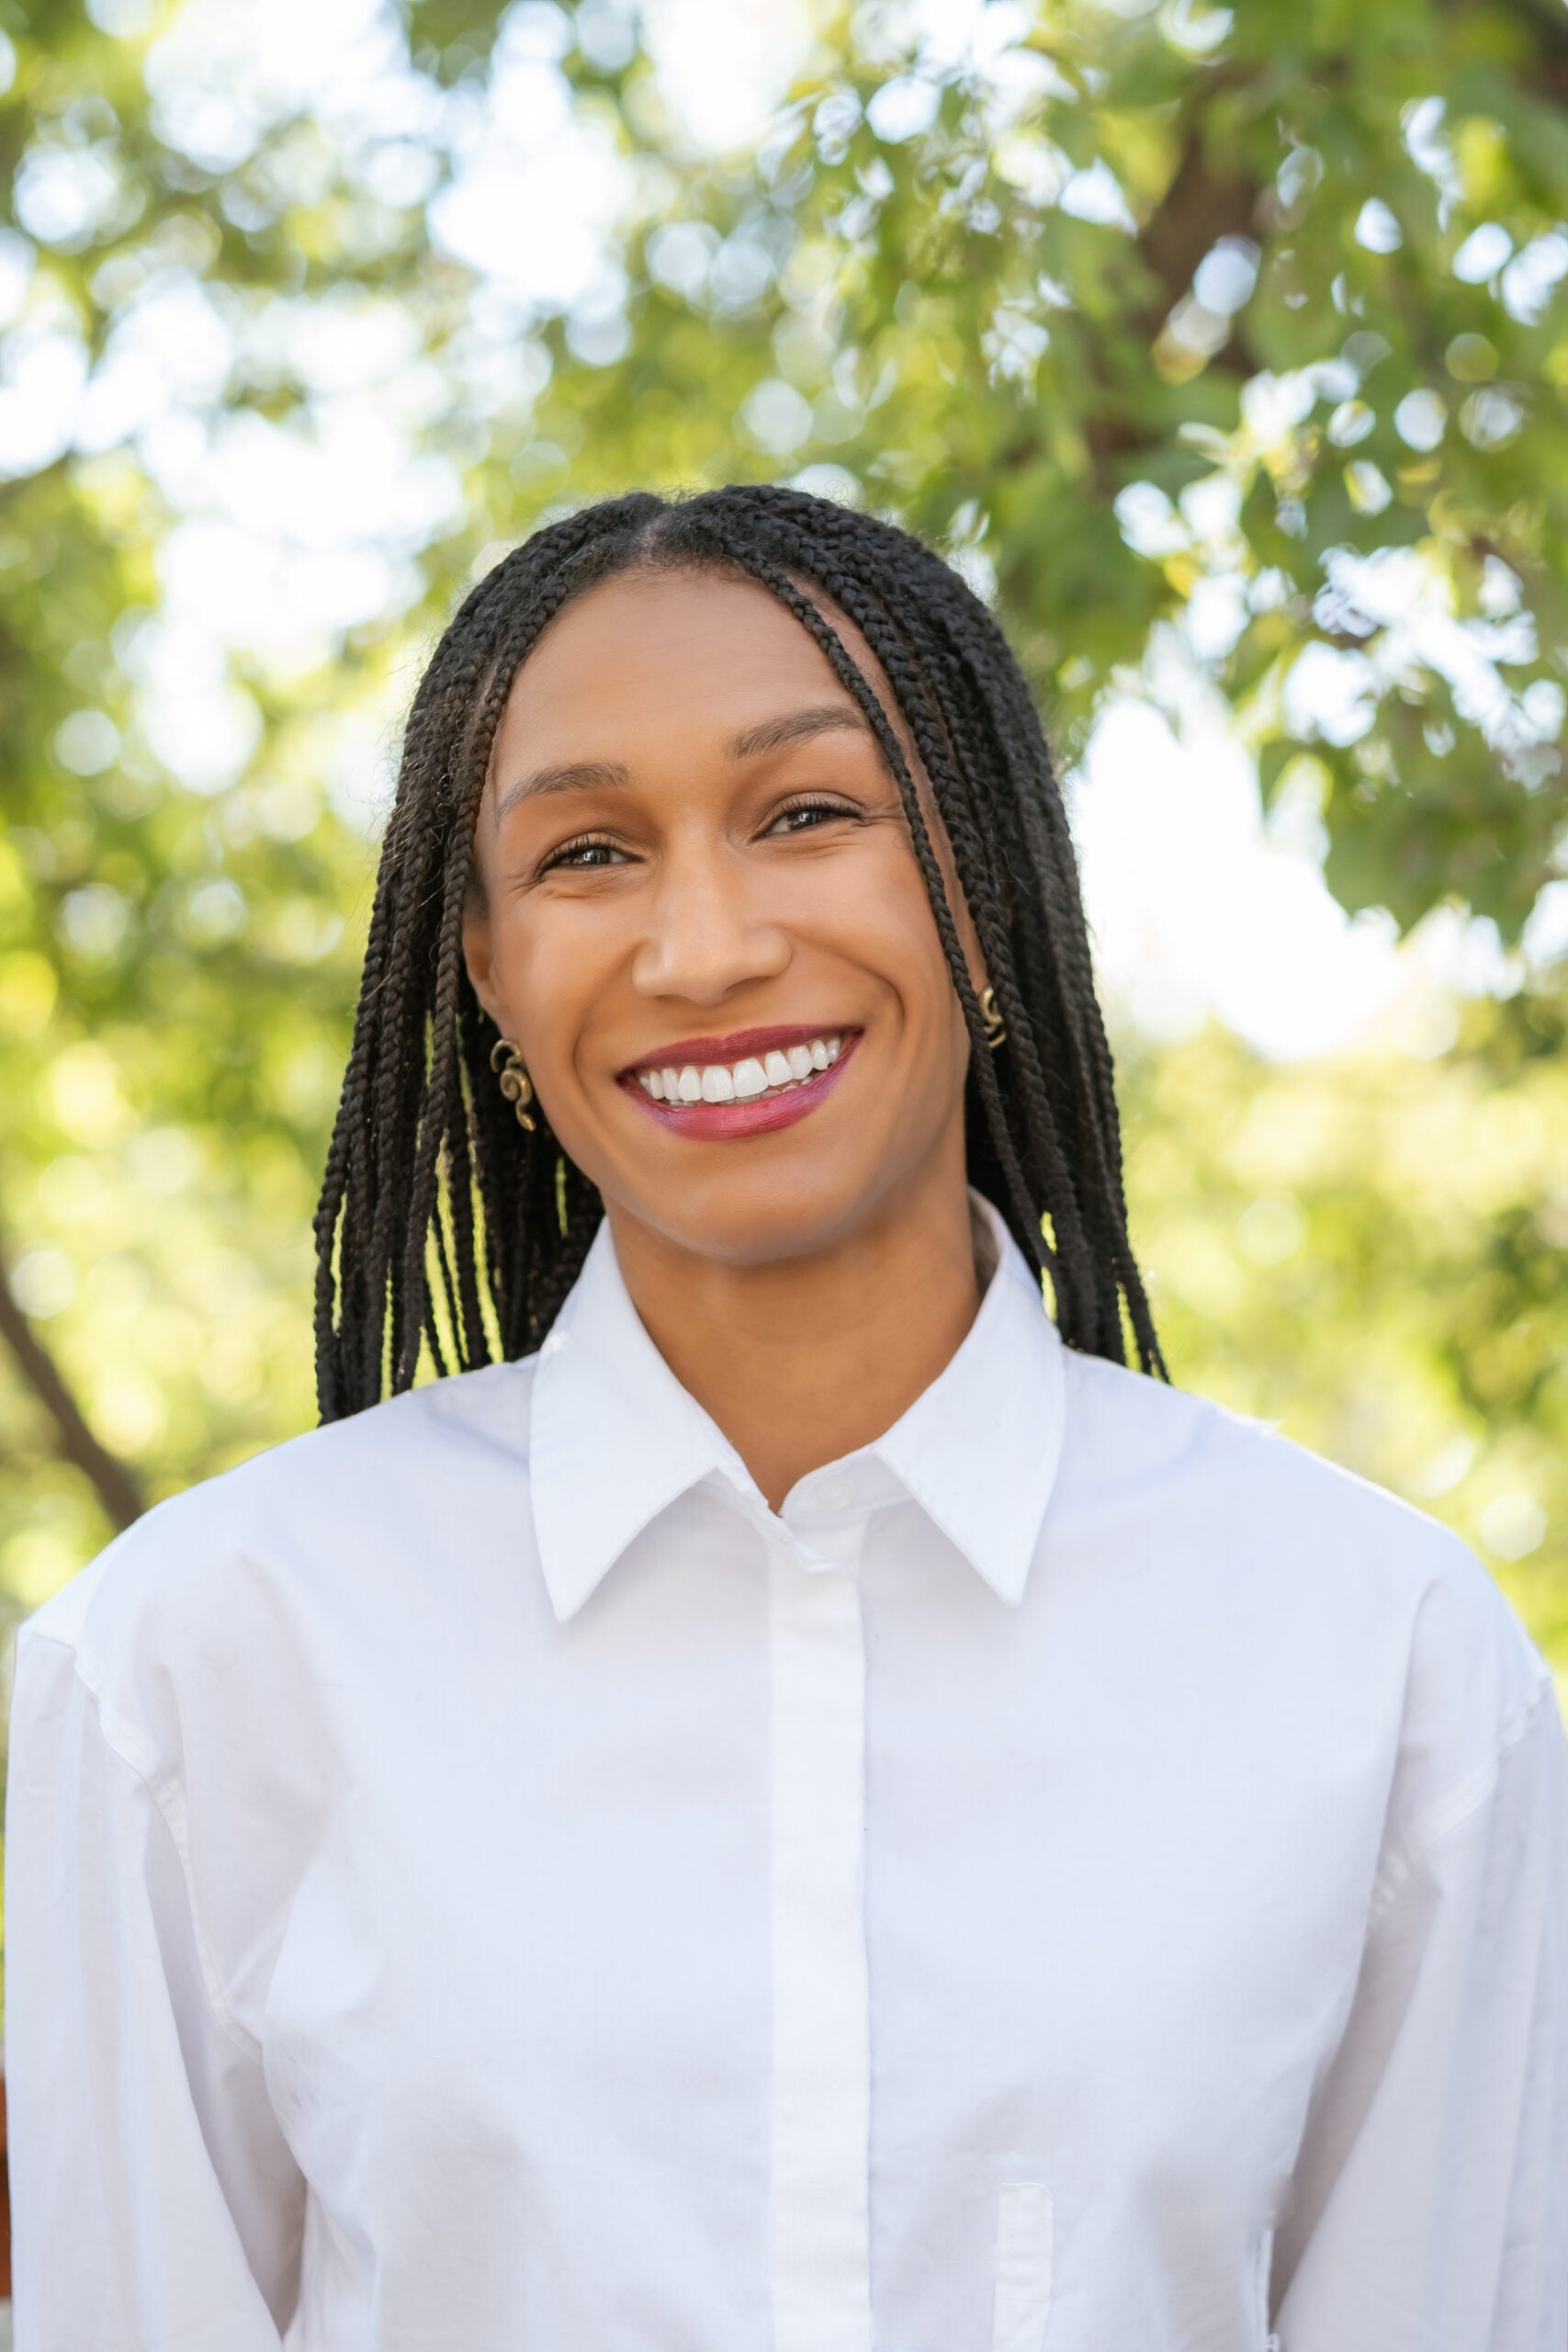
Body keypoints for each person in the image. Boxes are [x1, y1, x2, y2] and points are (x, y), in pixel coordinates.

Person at [6, 484, 1566, 2351]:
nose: (704, 945)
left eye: (807, 812)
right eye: (587, 853)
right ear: (491, 973)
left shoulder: (1381, 1664)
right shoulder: (190, 1664)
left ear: (984, 887)